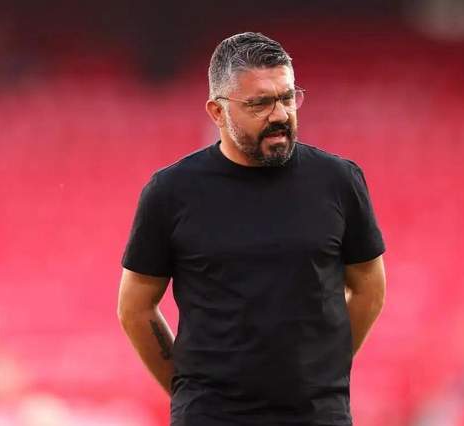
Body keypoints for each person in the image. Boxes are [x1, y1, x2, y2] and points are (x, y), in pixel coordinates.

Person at [117, 32, 386, 426]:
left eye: (288, 98)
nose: (280, 115)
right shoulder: (171, 191)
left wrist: (324, 371)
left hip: (315, 416)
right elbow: (135, 307)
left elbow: (369, 287)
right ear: (217, 111)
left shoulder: (338, 180)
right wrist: (190, 392)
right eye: (260, 103)